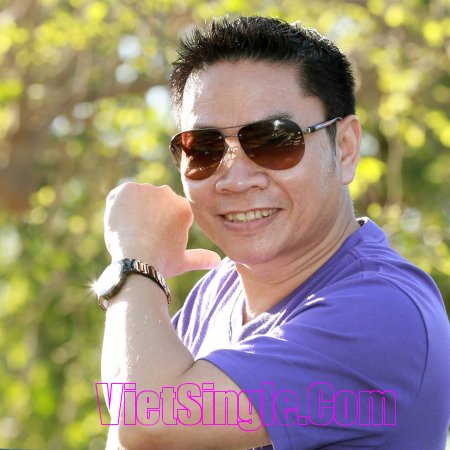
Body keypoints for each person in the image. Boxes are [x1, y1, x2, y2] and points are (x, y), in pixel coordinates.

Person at [95, 16, 450, 450]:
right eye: (204, 148)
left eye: (274, 141)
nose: (236, 180)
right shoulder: (215, 296)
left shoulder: (383, 312)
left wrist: (134, 260)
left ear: (345, 148)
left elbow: (148, 423)